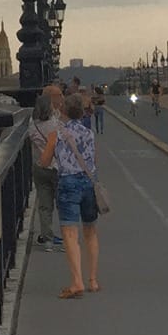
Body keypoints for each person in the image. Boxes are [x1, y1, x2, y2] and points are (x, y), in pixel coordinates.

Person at [38, 83, 102, 296]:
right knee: (90, 232)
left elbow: (45, 162)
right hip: (89, 182)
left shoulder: (57, 135)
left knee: (70, 233)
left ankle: (77, 282)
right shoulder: (89, 134)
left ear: (63, 110)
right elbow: (93, 160)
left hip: (68, 183)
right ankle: (92, 279)